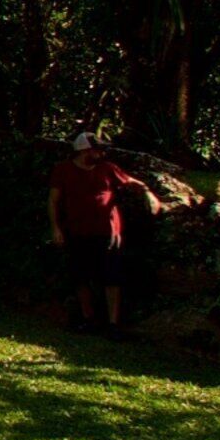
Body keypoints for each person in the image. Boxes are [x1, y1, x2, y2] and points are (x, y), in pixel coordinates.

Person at [48, 131, 145, 334]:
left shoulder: (108, 169)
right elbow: (54, 201)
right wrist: (56, 228)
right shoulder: (63, 170)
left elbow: (132, 182)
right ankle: (88, 318)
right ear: (84, 151)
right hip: (77, 231)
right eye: (96, 149)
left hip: (107, 232)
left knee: (112, 277)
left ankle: (113, 324)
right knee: (80, 276)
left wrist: (148, 194)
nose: (101, 153)